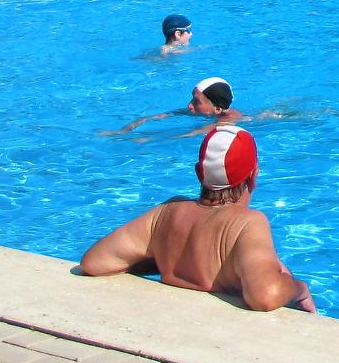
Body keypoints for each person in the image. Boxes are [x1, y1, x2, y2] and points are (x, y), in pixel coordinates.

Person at [79, 125, 315, 313]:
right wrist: (299, 289)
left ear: (198, 173)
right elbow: (265, 296)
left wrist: (166, 257)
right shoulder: (248, 222)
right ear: (254, 175)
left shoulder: (168, 212)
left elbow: (95, 261)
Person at [109, 76, 243, 135]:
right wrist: (123, 131)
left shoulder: (226, 121)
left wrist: (146, 140)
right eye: (192, 99)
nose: (189, 105)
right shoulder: (194, 111)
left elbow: (188, 135)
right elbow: (157, 116)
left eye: (196, 102)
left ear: (218, 109)